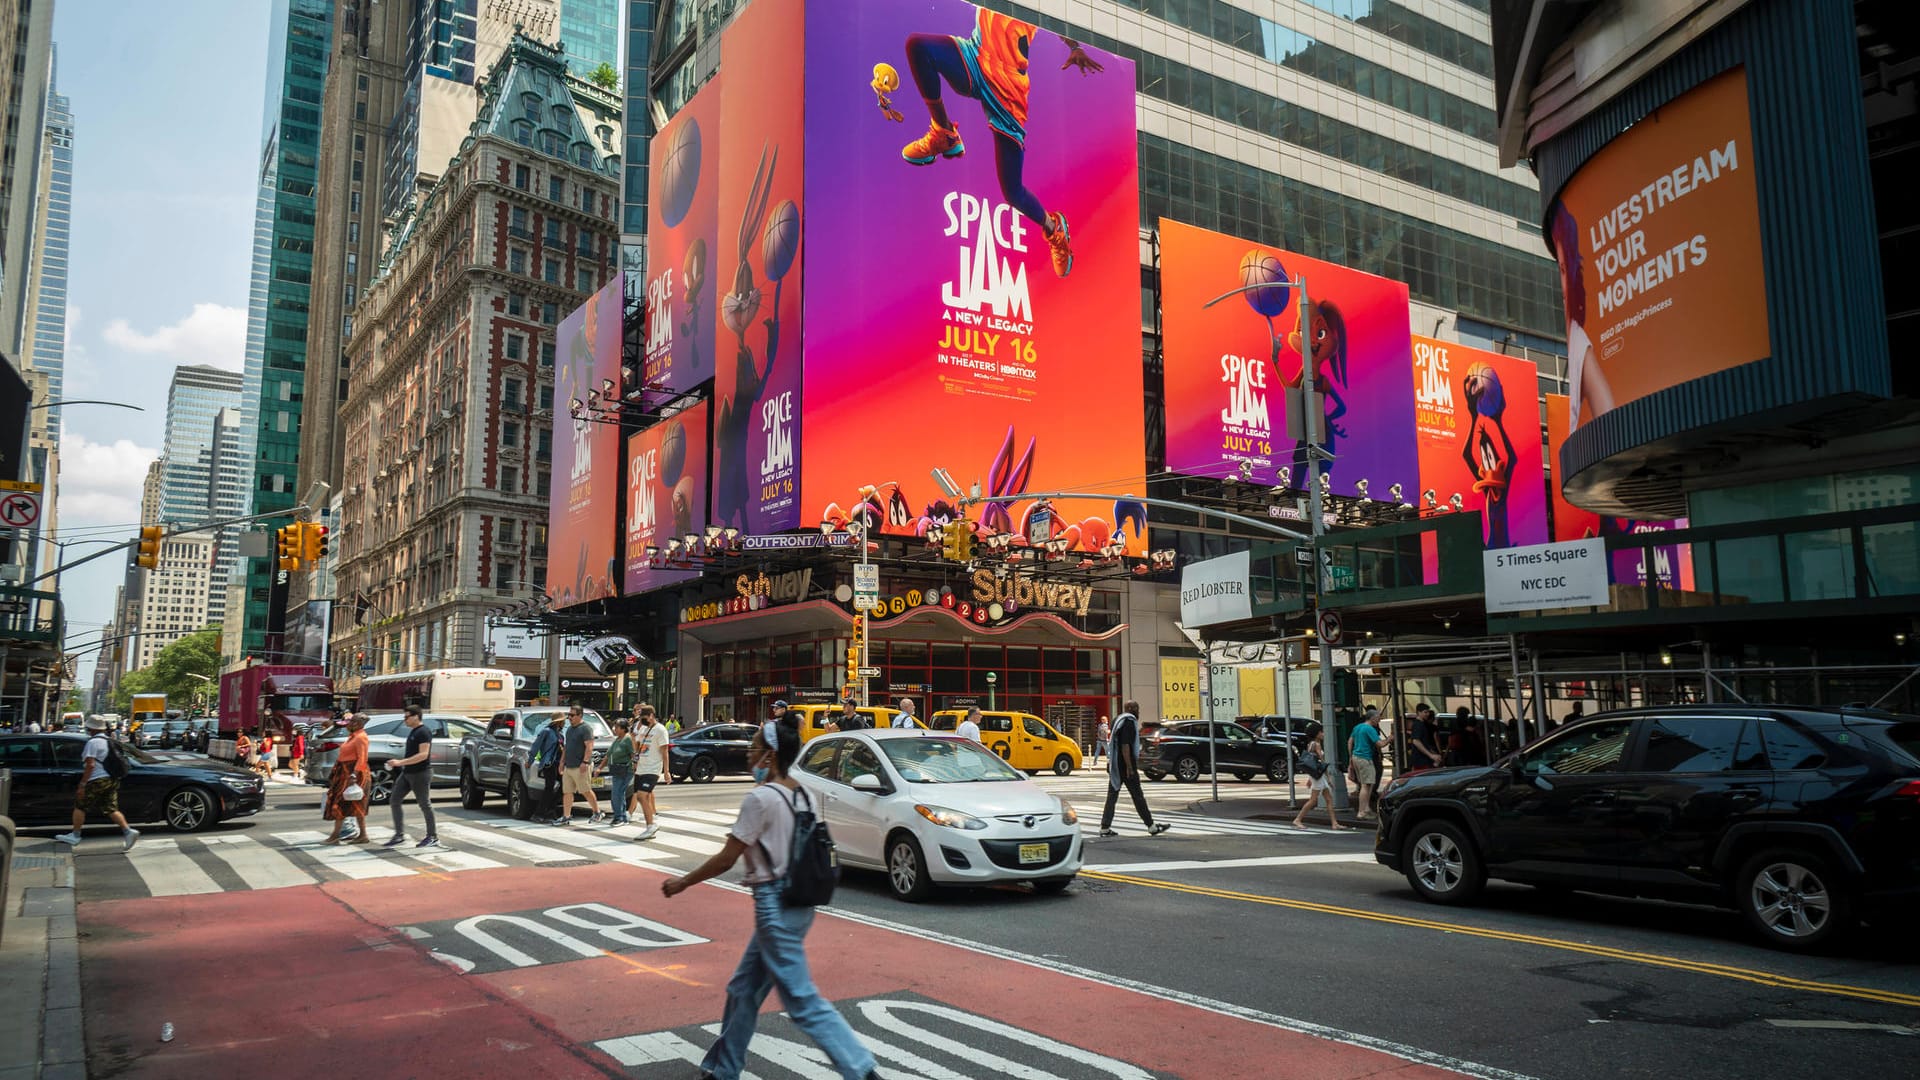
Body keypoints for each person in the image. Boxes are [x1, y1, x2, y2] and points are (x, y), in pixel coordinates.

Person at [661, 721, 880, 1080]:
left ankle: (861, 1069)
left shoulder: (760, 799)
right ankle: (722, 1068)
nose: (749, 755)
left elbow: (726, 857)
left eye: (754, 747)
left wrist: (682, 882)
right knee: (743, 989)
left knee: (801, 1000)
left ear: (770, 755)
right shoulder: (802, 794)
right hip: (800, 901)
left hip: (774, 904)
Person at [900, 8, 1102, 280]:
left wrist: (1075, 45)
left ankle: (1054, 228)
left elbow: (1054, 15)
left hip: (1008, 87)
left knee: (1012, 191)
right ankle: (944, 133)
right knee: (918, 46)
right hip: (976, 55)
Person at [54, 717, 139, 850]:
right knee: (111, 808)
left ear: (92, 728)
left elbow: (90, 765)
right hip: (111, 779)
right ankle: (128, 831)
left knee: (80, 805)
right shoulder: (108, 741)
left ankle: (75, 835)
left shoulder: (93, 743)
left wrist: (82, 784)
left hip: (96, 779)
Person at [1098, 701, 1169, 838]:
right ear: (1131, 709)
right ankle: (1151, 826)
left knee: (1112, 796)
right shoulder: (1129, 722)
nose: (1138, 711)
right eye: (1137, 708)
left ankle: (1105, 828)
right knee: (1138, 796)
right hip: (1126, 765)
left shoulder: (1116, 720)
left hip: (1115, 764)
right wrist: (1130, 767)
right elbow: (1125, 746)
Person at [384, 705, 439, 848]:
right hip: (407, 772)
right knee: (394, 800)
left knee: (424, 804)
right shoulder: (414, 732)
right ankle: (399, 835)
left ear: (416, 716)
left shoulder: (423, 732)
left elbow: (423, 755)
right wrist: (400, 764)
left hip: (420, 773)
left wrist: (400, 762)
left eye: (407, 717)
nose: (405, 720)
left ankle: (432, 836)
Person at [322, 713, 371, 844]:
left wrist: (354, 775)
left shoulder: (361, 737)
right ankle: (363, 835)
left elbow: (362, 758)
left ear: (359, 724)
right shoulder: (352, 736)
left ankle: (335, 836)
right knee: (354, 804)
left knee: (341, 803)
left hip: (353, 774)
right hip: (345, 771)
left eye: (352, 722)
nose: (349, 724)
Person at [1292, 730, 1346, 831]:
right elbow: (1321, 763)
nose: (1323, 734)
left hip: (1317, 776)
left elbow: (1310, 763)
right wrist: (1328, 777)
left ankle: (1334, 823)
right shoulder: (1316, 744)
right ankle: (1298, 819)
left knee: (1329, 799)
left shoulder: (1311, 744)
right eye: (1321, 732)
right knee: (1313, 800)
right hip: (1319, 776)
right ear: (1317, 733)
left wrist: (1310, 778)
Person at [559, 705, 604, 825]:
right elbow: (566, 747)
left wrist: (585, 762)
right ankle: (566, 816)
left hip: (580, 766)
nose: (569, 718)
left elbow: (589, 747)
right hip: (569, 765)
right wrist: (562, 762)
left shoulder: (586, 729)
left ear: (580, 715)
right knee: (567, 792)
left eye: (572, 715)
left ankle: (597, 812)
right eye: (569, 715)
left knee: (585, 790)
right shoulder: (569, 729)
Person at [632, 706, 672, 840]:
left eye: (644, 717)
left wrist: (666, 771)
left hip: (652, 768)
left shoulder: (660, 730)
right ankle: (650, 821)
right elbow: (637, 746)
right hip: (641, 767)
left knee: (641, 796)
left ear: (651, 715)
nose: (642, 720)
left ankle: (651, 825)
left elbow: (665, 752)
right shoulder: (643, 729)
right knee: (643, 796)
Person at [1347, 707, 1382, 820]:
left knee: (1368, 783)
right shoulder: (1370, 729)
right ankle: (1362, 812)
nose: (1379, 721)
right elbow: (1380, 744)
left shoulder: (1357, 727)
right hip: (1365, 758)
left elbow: (1350, 741)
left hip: (1356, 757)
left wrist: (1350, 758)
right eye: (1378, 718)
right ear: (1372, 718)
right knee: (1366, 785)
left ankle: (1366, 809)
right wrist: (1390, 738)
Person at [531, 715, 566, 823]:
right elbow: (536, 745)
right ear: (558, 722)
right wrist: (530, 760)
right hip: (549, 764)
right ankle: (539, 813)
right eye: (563, 721)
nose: (564, 723)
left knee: (564, 787)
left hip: (558, 764)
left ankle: (551, 809)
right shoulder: (546, 731)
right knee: (549, 788)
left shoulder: (560, 734)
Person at [606, 719, 636, 826]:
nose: (615, 729)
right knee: (619, 793)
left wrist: (635, 766)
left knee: (617, 793)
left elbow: (633, 754)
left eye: (617, 727)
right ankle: (621, 816)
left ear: (623, 729)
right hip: (616, 770)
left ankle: (619, 817)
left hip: (625, 770)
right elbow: (608, 754)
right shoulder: (618, 739)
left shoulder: (627, 739)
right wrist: (600, 767)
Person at [1403, 703, 1444, 777]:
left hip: (1424, 759)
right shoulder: (1418, 725)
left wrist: (1432, 753)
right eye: (1425, 712)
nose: (1427, 714)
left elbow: (1423, 742)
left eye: (1428, 712)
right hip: (1420, 760)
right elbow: (1416, 741)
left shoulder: (1422, 724)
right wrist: (1431, 755)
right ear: (1419, 712)